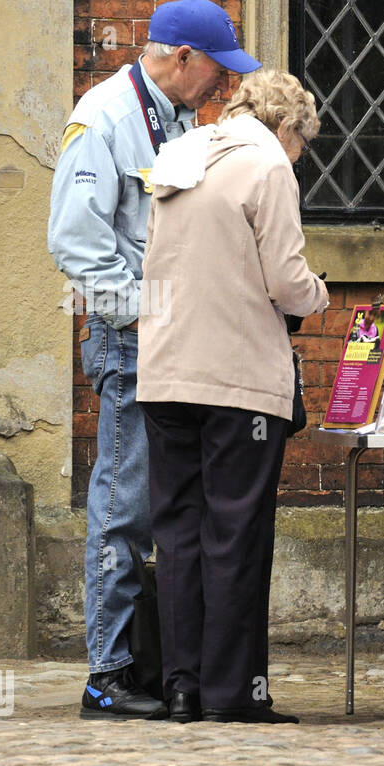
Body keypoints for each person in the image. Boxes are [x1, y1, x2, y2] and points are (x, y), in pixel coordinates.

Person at [48, 0, 261, 720]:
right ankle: (106, 673)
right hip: (133, 337)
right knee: (123, 507)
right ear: (182, 60)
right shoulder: (104, 115)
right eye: (217, 72)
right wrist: (148, 308)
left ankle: (148, 665)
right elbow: (76, 244)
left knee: (166, 508)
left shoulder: (176, 121)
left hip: (171, 340)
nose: (222, 88)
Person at [137, 69, 329, 724]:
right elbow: (286, 280)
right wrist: (320, 293)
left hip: (166, 375)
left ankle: (181, 687)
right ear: (286, 126)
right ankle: (232, 694)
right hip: (238, 379)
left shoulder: (179, 156)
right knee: (235, 535)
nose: (299, 156)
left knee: (179, 533)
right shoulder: (268, 165)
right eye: (302, 142)